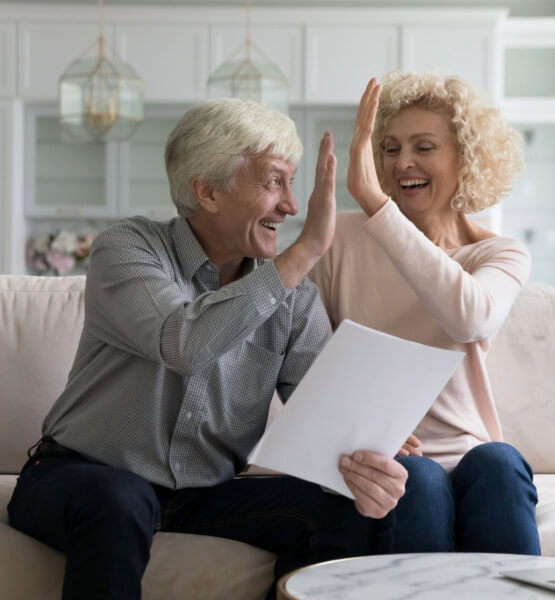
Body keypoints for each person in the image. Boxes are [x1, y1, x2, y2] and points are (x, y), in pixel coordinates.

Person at [8, 97, 438, 600]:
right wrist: (305, 252)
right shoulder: (127, 249)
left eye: (293, 183)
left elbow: (325, 412)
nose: (292, 206)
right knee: (119, 497)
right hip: (82, 476)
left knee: (345, 514)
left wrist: (368, 454)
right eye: (274, 181)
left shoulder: (295, 299)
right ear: (207, 191)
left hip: (205, 494)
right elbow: (183, 341)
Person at [310, 71, 541, 555]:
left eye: (424, 147)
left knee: (500, 461)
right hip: (384, 461)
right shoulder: (342, 239)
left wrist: (375, 203)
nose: (402, 164)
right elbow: (303, 356)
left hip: (471, 456)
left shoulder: (497, 254)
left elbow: (470, 317)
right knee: (420, 478)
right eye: (390, 149)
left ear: (467, 158)